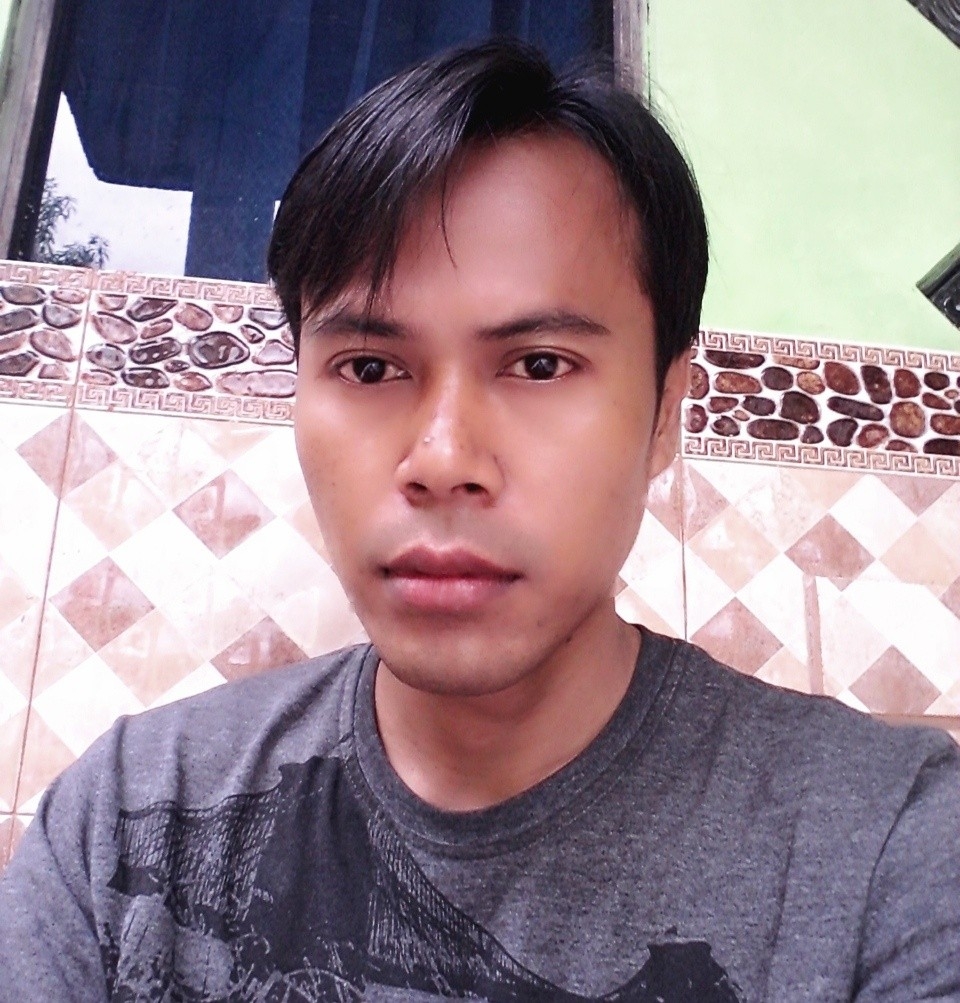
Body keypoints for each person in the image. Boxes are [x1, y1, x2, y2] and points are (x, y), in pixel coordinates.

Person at [1, 39, 958, 1002]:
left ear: (666, 410)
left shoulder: (891, 847)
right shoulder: (122, 822)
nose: (444, 459)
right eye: (370, 367)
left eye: (540, 364)